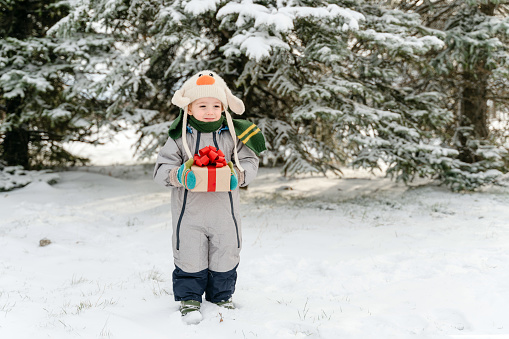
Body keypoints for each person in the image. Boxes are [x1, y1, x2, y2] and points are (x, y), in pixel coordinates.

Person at [153, 70, 266, 324]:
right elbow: (160, 170)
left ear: (224, 107)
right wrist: (179, 175)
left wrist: (238, 174)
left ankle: (221, 295)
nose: (210, 111)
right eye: (202, 105)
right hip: (189, 213)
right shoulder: (180, 138)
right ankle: (190, 298)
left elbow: (250, 160)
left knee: (226, 250)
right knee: (190, 253)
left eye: (216, 105)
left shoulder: (233, 136)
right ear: (190, 109)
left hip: (224, 213)